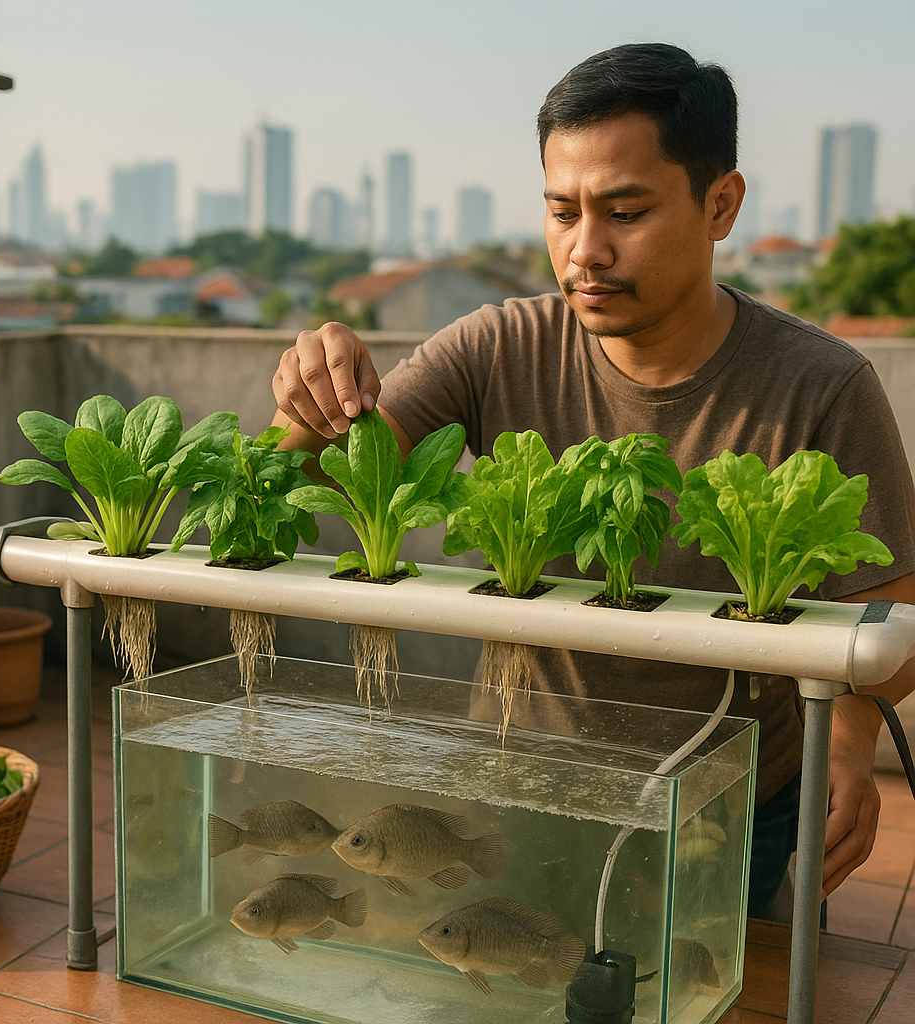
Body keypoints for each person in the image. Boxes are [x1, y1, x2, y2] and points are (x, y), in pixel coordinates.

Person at [271, 42, 915, 918]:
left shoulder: (821, 386)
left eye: (625, 211)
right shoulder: (496, 347)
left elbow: (894, 603)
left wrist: (849, 738)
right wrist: (311, 394)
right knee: (517, 971)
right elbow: (335, 464)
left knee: (706, 990)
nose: (586, 250)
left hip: (733, 798)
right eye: (562, 212)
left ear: (720, 204)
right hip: (523, 778)